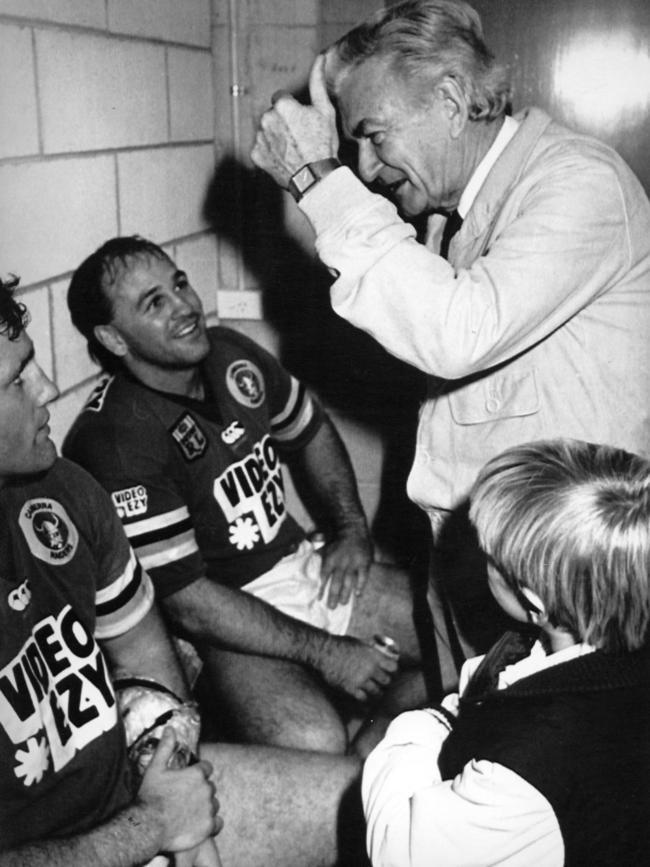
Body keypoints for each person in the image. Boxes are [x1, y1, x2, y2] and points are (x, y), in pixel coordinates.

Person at [250, 0, 650, 694]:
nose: (368, 169)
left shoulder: (578, 182)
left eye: (373, 135)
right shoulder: (452, 213)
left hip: (563, 581)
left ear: (451, 98)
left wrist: (319, 178)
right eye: (354, 149)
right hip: (477, 563)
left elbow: (458, 331)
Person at [0, 274, 373, 867]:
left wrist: (175, 785)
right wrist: (154, 828)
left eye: (32, 364)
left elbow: (143, 658)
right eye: (16, 382)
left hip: (134, 789)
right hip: (85, 840)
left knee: (377, 807)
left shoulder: (61, 490)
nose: (46, 389)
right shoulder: (115, 436)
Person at [62, 236, 424, 756]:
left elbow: (311, 429)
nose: (184, 307)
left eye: (179, 284)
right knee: (311, 742)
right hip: (225, 616)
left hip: (297, 565)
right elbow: (191, 605)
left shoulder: (228, 352)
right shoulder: (117, 440)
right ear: (113, 338)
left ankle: (367, 773)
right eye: (154, 303)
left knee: (444, 634)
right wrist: (329, 654)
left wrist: (350, 529)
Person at [362, 438, 650, 867]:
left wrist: (427, 724)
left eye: (491, 557)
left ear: (535, 601)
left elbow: (398, 851)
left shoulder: (524, 765)